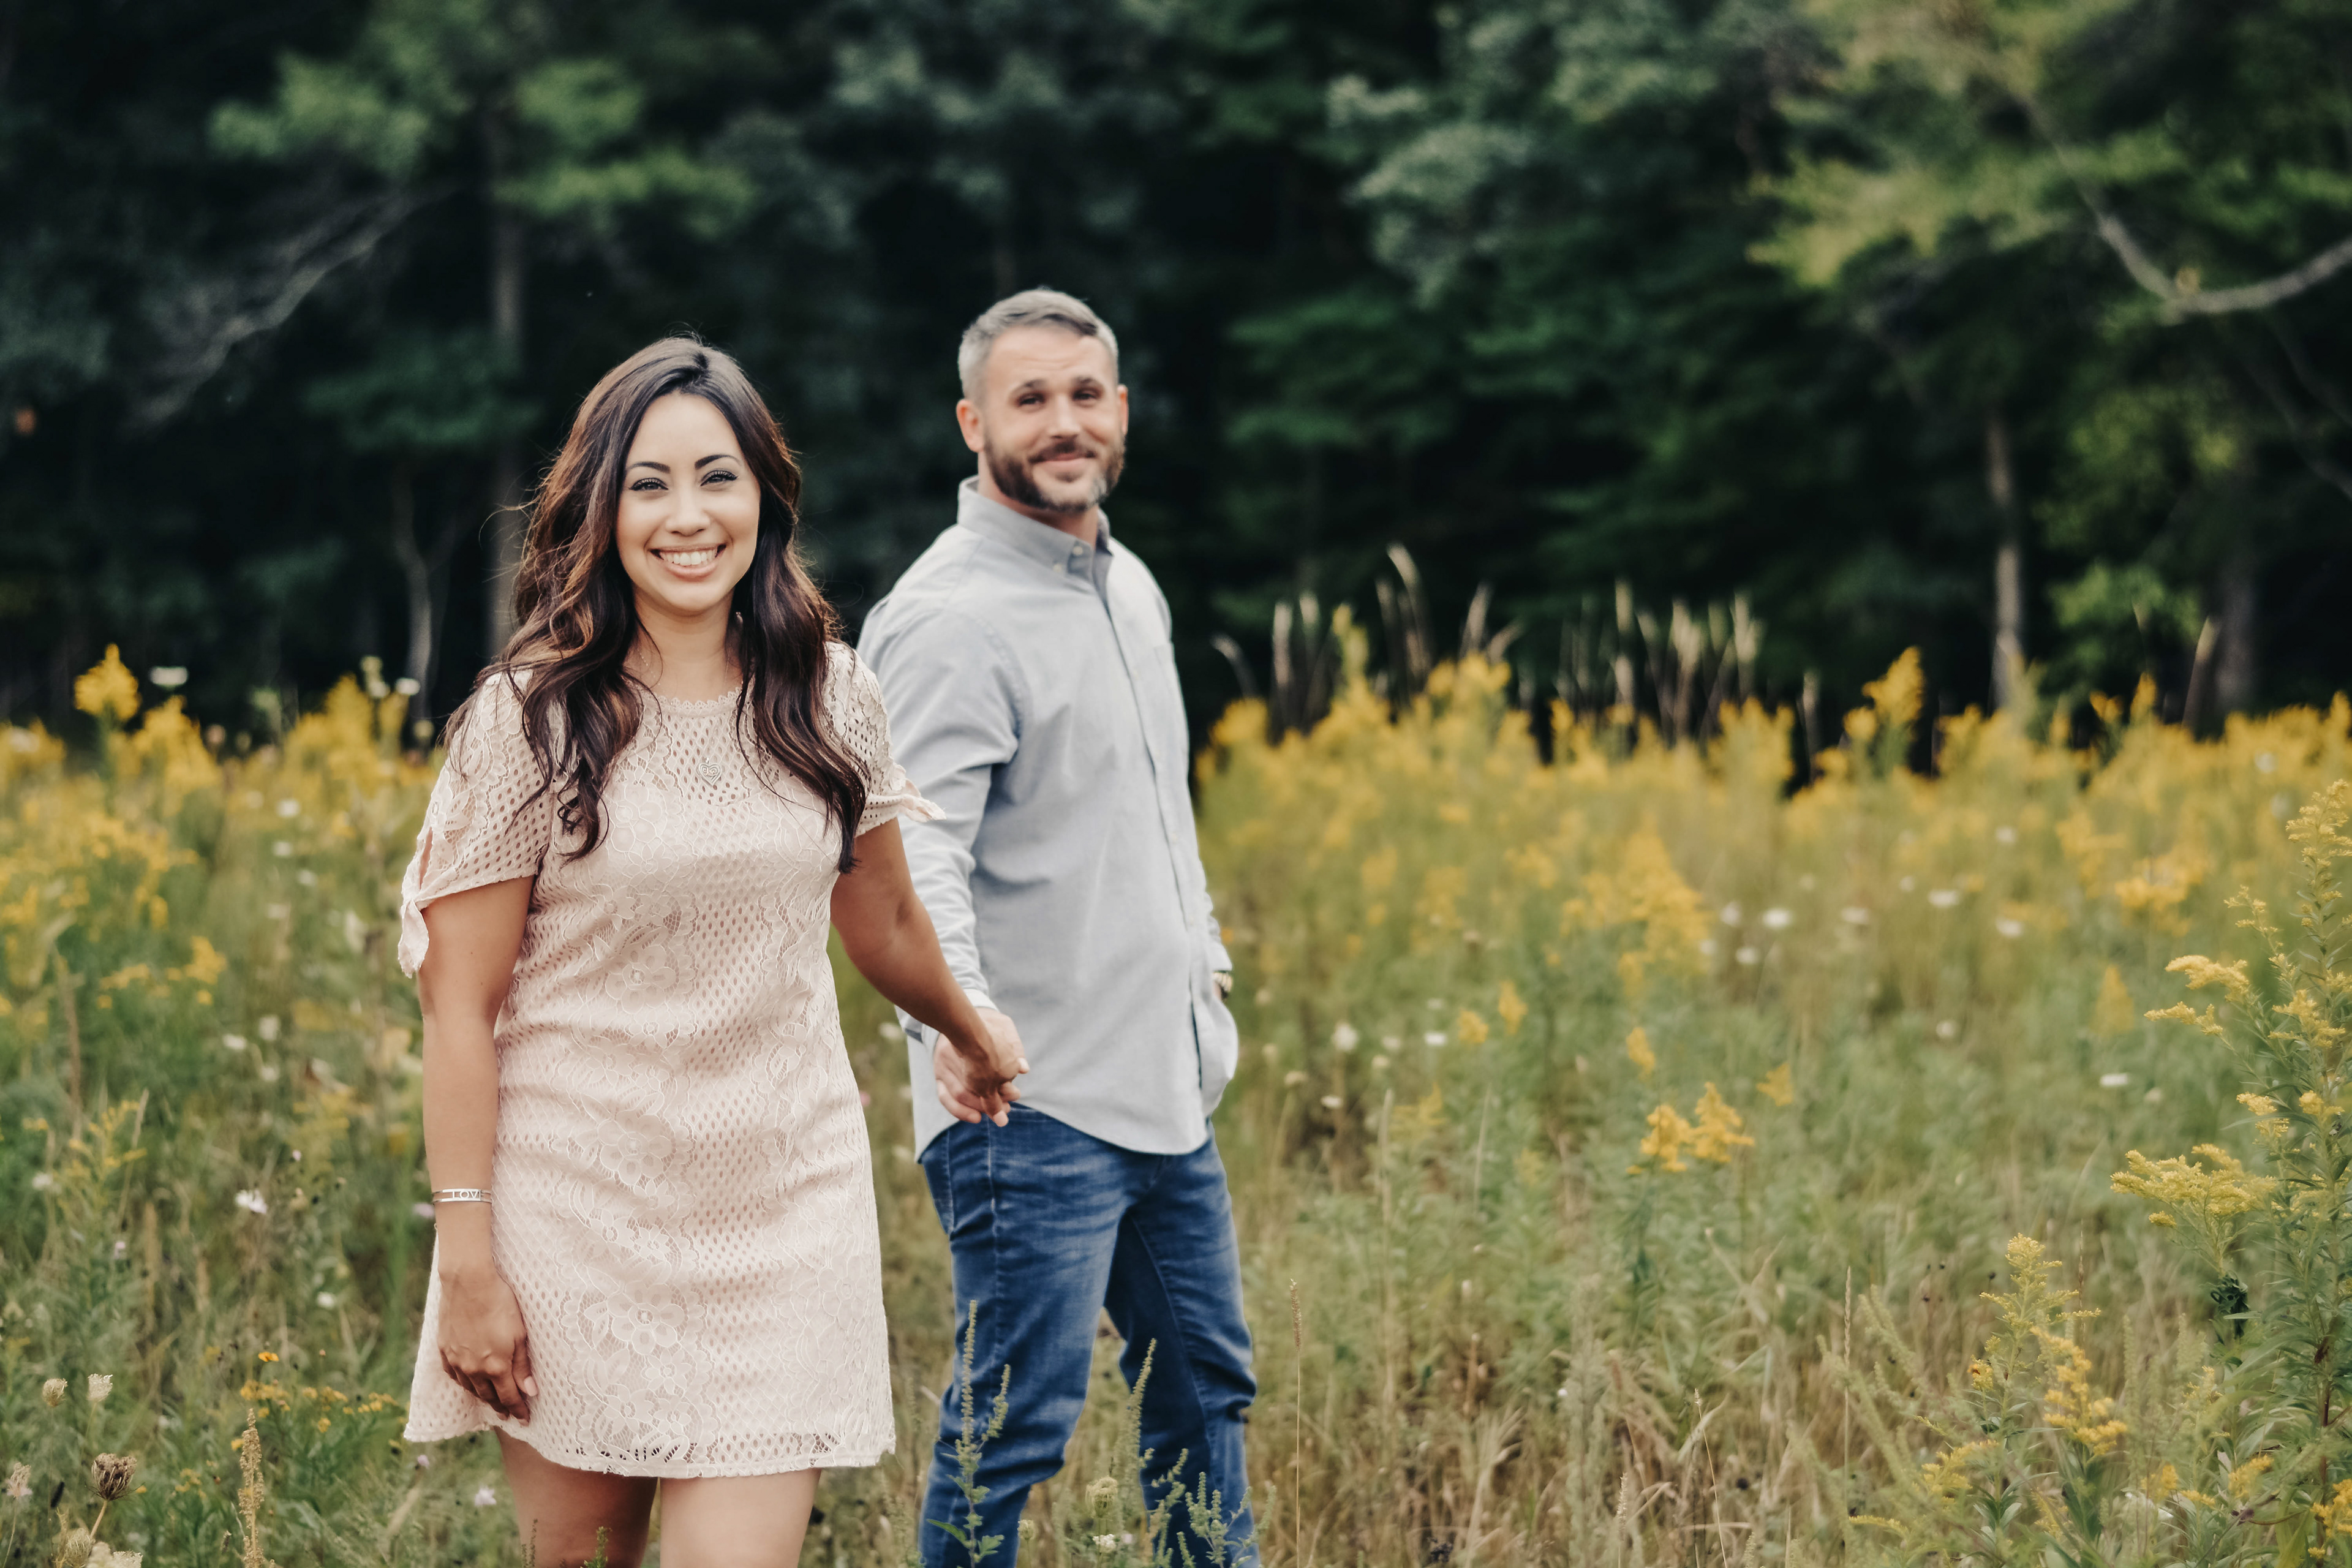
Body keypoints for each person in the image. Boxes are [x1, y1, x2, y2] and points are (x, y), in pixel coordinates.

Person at [399, 336, 1025, 1568]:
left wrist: (969, 1028)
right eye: (649, 484)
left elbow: (887, 922)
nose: (688, 516)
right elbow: (456, 1007)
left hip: (785, 1211)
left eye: (717, 477)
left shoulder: (833, 696)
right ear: (601, 509)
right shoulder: (529, 719)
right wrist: (468, 1259)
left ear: (764, 498)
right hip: (575, 1212)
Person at [859, 290, 1256, 1567]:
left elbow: (1147, 810)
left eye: (1086, 394)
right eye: (1029, 398)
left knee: (1206, 1393)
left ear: (1122, 410)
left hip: (1164, 1084)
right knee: (1012, 1430)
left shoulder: (1128, 585)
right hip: (1027, 1109)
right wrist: (964, 1025)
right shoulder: (949, 619)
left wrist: (1198, 951)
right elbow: (915, 860)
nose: (1064, 421)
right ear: (973, 423)